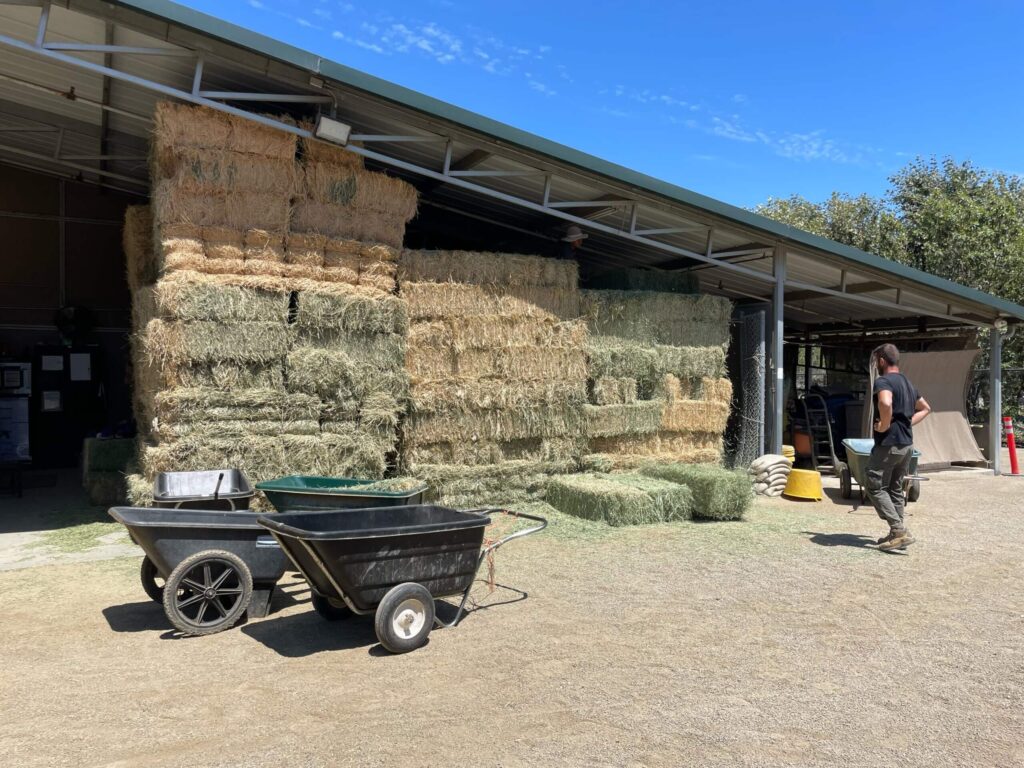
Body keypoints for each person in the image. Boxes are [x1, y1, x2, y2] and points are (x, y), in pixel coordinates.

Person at [868, 343, 931, 551]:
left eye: (877, 360)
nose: (877, 364)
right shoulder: (907, 383)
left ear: (882, 361)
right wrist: (906, 423)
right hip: (907, 445)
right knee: (895, 487)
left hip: (889, 444)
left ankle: (898, 529)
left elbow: (885, 403)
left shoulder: (883, 381)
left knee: (874, 483)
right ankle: (898, 534)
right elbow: (926, 408)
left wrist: (885, 425)